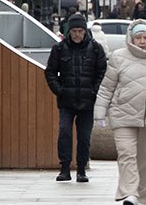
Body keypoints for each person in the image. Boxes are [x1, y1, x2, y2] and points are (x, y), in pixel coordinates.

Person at [94, 22, 146, 205]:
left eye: (145, 38)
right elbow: (107, 87)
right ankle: (130, 193)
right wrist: (99, 113)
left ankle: (142, 197)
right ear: (131, 38)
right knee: (126, 154)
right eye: (138, 37)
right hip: (123, 115)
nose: (141, 42)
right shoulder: (118, 57)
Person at [44, 13, 108, 183]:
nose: (77, 34)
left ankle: (81, 169)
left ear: (85, 31)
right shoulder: (59, 49)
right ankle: (65, 168)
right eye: (74, 31)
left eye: (80, 31)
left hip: (88, 100)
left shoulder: (95, 49)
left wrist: (94, 90)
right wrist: (59, 90)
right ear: (69, 32)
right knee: (64, 132)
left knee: (84, 136)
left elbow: (103, 71)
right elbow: (50, 71)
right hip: (66, 100)